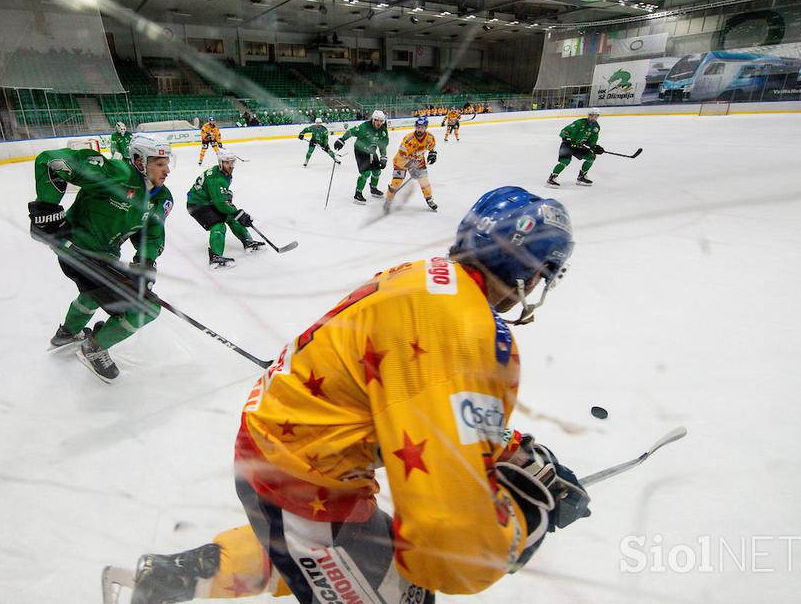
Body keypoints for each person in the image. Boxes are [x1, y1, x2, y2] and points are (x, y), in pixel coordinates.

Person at [117, 186, 588, 604]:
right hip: (301, 471)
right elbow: (445, 547)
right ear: (531, 271)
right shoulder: (466, 333)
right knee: (405, 591)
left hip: (283, 443)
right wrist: (524, 520)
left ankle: (173, 578)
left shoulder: (428, 278)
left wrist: (503, 447)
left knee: (323, 550)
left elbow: (414, 397)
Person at [27, 135, 175, 382]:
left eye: (167, 163)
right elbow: (51, 161)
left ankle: (67, 333)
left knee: (93, 292)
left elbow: (150, 234)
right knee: (146, 308)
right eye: (160, 163)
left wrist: (146, 265)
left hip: (104, 257)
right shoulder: (116, 173)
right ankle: (94, 349)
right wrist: (47, 211)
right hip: (76, 249)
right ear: (139, 161)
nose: (167, 169)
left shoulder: (161, 197)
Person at [186, 148, 265, 269]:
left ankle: (248, 242)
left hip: (208, 201)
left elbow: (220, 198)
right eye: (227, 162)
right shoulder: (217, 179)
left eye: (232, 162)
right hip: (197, 204)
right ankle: (216, 257)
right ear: (220, 162)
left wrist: (235, 211)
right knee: (218, 225)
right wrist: (239, 213)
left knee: (232, 217)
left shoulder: (222, 173)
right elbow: (221, 204)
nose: (231, 165)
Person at [384, 116, 438, 213]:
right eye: (418, 127)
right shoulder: (408, 140)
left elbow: (432, 147)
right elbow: (401, 156)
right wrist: (412, 169)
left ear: (425, 127)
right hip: (401, 162)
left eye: (422, 127)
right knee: (396, 183)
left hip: (419, 161)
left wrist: (432, 153)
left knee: (424, 181)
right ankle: (388, 201)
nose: (419, 129)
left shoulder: (430, 138)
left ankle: (429, 199)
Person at [334, 109, 389, 204]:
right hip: (360, 151)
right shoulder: (364, 127)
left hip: (371, 152)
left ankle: (373, 189)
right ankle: (358, 194)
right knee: (366, 173)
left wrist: (383, 157)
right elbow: (351, 131)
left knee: (377, 171)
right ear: (373, 119)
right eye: (377, 120)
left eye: (381, 121)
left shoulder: (383, 131)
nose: (379, 123)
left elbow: (382, 145)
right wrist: (342, 140)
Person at [547, 108, 603, 187]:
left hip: (578, 146)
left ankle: (582, 176)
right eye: (591, 115)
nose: (593, 118)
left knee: (591, 157)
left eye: (595, 116)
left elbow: (591, 141)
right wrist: (566, 138)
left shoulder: (596, 127)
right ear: (588, 115)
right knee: (565, 161)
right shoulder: (579, 123)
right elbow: (564, 131)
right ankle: (552, 178)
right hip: (568, 144)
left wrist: (595, 147)